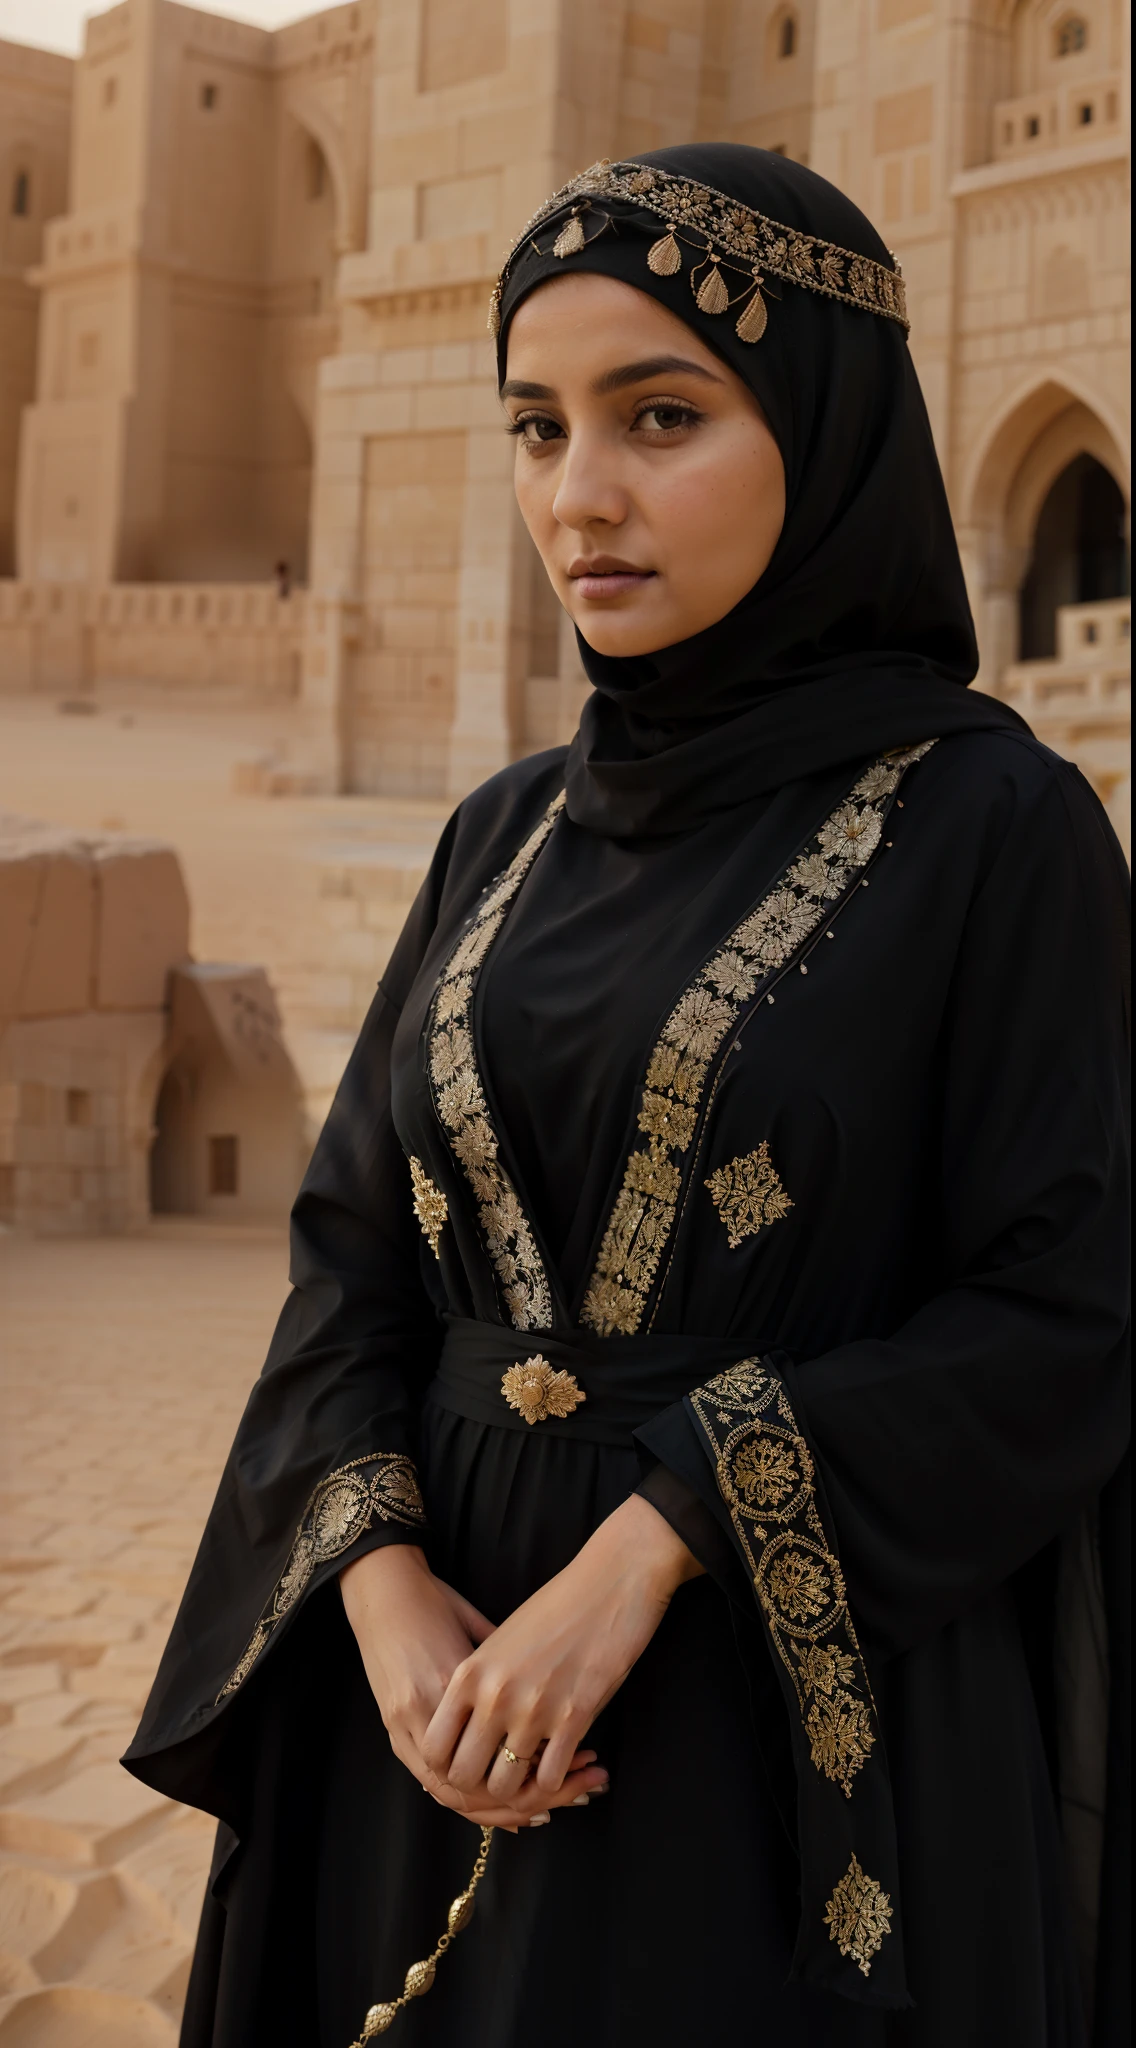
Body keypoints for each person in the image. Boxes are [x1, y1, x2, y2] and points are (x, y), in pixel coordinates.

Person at [124, 145, 1129, 2048]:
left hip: (777, 1738)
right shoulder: (502, 834)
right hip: (424, 1721)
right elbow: (349, 1256)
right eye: (535, 426)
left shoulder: (994, 828)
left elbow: (1065, 1317)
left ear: (824, 436)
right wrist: (388, 1600)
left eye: (660, 416)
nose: (578, 496)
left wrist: (663, 1543)